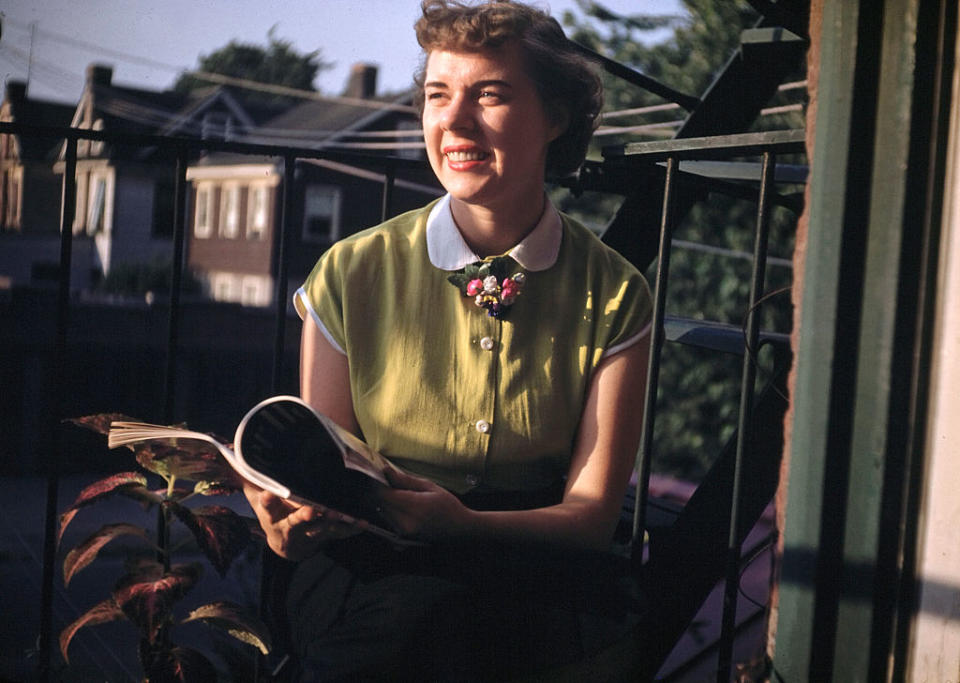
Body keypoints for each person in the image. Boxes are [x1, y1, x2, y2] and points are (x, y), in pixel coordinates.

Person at [243, 0, 653, 679]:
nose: (454, 121)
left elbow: (588, 515)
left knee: (442, 622)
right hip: (369, 557)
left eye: (489, 95)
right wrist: (288, 513)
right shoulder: (349, 271)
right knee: (420, 618)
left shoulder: (615, 292)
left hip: (528, 560)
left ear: (555, 117)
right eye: (438, 95)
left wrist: (462, 523)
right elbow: (325, 466)